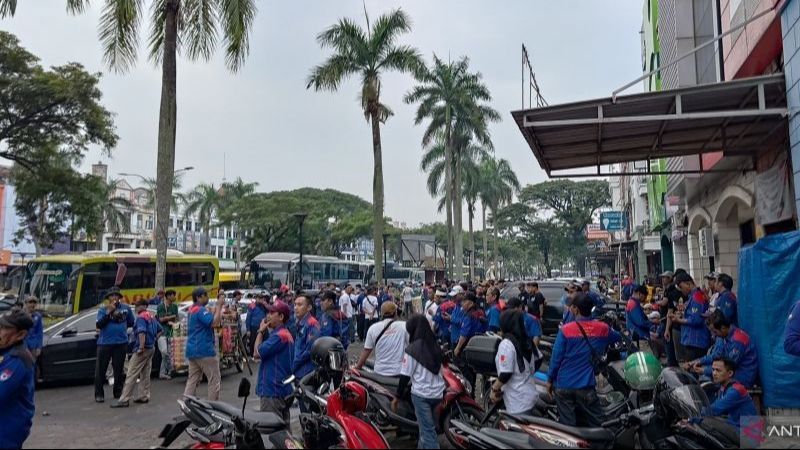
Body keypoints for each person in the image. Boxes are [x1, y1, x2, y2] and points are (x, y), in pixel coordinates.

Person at [546, 293, 622, 427]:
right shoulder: (602, 328)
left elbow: (556, 358)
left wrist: (549, 380)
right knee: (598, 424)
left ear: (576, 309)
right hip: (586, 386)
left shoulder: (565, 330)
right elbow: (618, 337)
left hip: (564, 385)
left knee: (568, 428)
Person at [394, 315, 445, 450]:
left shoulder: (413, 349)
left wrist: (397, 397)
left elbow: (405, 376)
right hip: (438, 394)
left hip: (422, 395)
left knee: (428, 433)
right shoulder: (435, 345)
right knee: (424, 429)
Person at [112, 300, 162, 408]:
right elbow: (160, 330)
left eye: (138, 305)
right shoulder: (151, 316)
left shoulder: (141, 318)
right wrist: (153, 340)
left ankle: (124, 399)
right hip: (151, 348)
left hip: (142, 349)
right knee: (145, 373)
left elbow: (141, 332)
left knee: (131, 372)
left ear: (144, 306)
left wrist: (141, 347)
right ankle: (143, 395)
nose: (136, 307)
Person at [690, 310, 758, 388]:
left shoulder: (737, 341)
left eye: (715, 332)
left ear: (723, 328)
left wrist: (703, 370)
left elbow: (727, 367)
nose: (713, 335)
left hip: (742, 377)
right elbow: (716, 355)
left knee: (707, 385)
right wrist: (699, 361)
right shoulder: (724, 336)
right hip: (731, 372)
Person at [490, 310, 538, 415]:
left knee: (518, 430)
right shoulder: (526, 339)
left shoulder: (506, 343)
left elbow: (506, 373)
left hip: (517, 399)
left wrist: (494, 389)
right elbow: (539, 359)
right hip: (529, 392)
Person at [0, 309, 36, 449]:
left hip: (7, 430)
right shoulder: (6, 351)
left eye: (4, 328)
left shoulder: (18, 360)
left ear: (21, 334)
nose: (0, 331)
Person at [255, 300, 295, 421]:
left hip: (273, 390)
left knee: (270, 431)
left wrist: (261, 331)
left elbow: (256, 353)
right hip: (282, 389)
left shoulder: (279, 336)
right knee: (284, 431)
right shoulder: (285, 334)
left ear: (281, 317)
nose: (268, 316)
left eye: (272, 313)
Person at [94, 287, 134, 403]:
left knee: (118, 370)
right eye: (112, 296)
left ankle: (118, 392)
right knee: (101, 370)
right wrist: (109, 312)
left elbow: (131, 322)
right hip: (105, 343)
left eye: (116, 295)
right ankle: (99, 394)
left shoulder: (126, 309)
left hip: (121, 343)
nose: (114, 297)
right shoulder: (103, 309)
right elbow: (99, 325)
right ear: (109, 298)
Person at [184, 287, 224, 401]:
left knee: (192, 380)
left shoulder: (192, 309)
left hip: (192, 350)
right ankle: (213, 407)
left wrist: (215, 308)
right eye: (205, 295)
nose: (207, 297)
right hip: (204, 349)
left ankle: (187, 404)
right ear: (199, 297)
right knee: (214, 379)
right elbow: (214, 322)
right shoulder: (200, 310)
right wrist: (219, 306)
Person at [701, 358, 757, 431]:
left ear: (730, 373)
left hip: (748, 434)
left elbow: (715, 409)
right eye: (713, 369)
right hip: (736, 426)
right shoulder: (723, 387)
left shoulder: (735, 390)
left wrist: (693, 417)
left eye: (718, 370)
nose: (714, 373)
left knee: (707, 423)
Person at [356, 302, 408, 376]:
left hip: (379, 372)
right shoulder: (404, 326)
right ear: (395, 313)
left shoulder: (373, 328)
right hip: (399, 371)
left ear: (382, 313)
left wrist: (357, 367)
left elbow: (366, 350)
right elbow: (412, 347)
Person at [670, 272, 711, 362]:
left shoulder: (697, 297)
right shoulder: (693, 296)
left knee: (692, 371)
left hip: (696, 341)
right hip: (692, 340)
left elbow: (696, 320)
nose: (681, 290)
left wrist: (679, 320)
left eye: (681, 287)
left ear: (688, 283)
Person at [454, 293, 487, 388]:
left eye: (464, 301)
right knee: (473, 372)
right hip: (478, 347)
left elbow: (464, 334)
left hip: (467, 348)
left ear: (471, 303)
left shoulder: (469, 315)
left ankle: (469, 393)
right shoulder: (480, 312)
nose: (462, 304)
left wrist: (458, 348)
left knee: (466, 373)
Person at [292, 295, 321, 383]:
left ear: (309, 307)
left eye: (300, 305)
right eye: (295, 305)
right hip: (298, 370)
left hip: (307, 371)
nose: (296, 308)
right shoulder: (299, 322)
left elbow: (310, 350)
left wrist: (294, 364)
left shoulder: (312, 324)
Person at [658, 271, 681, 367]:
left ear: (670, 278)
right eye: (662, 277)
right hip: (667, 319)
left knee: (669, 343)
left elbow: (666, 307)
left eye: (665, 277)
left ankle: (671, 364)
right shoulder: (667, 289)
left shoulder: (671, 290)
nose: (663, 279)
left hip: (668, 320)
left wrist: (657, 302)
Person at [157, 289, 179, 380]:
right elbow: (161, 319)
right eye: (173, 295)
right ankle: (167, 371)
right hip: (161, 333)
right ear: (168, 296)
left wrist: (174, 322)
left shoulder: (175, 306)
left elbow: (176, 318)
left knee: (170, 353)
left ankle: (165, 372)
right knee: (164, 352)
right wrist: (171, 317)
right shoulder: (161, 306)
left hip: (171, 332)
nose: (175, 297)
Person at [246, 292, 269, 358]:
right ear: (256, 298)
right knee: (253, 342)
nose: (261, 300)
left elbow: (269, 310)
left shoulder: (264, 306)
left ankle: (264, 354)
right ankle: (252, 356)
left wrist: (265, 304)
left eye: (262, 298)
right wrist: (248, 329)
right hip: (254, 326)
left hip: (263, 325)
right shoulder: (252, 305)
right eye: (259, 298)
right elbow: (248, 318)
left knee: (266, 340)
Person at [23, 297, 43, 362]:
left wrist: (39, 347)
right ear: (26, 304)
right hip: (22, 345)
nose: (32, 304)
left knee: (32, 364)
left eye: (34, 302)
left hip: (33, 346)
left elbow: (39, 333)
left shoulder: (38, 316)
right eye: (30, 302)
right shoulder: (21, 315)